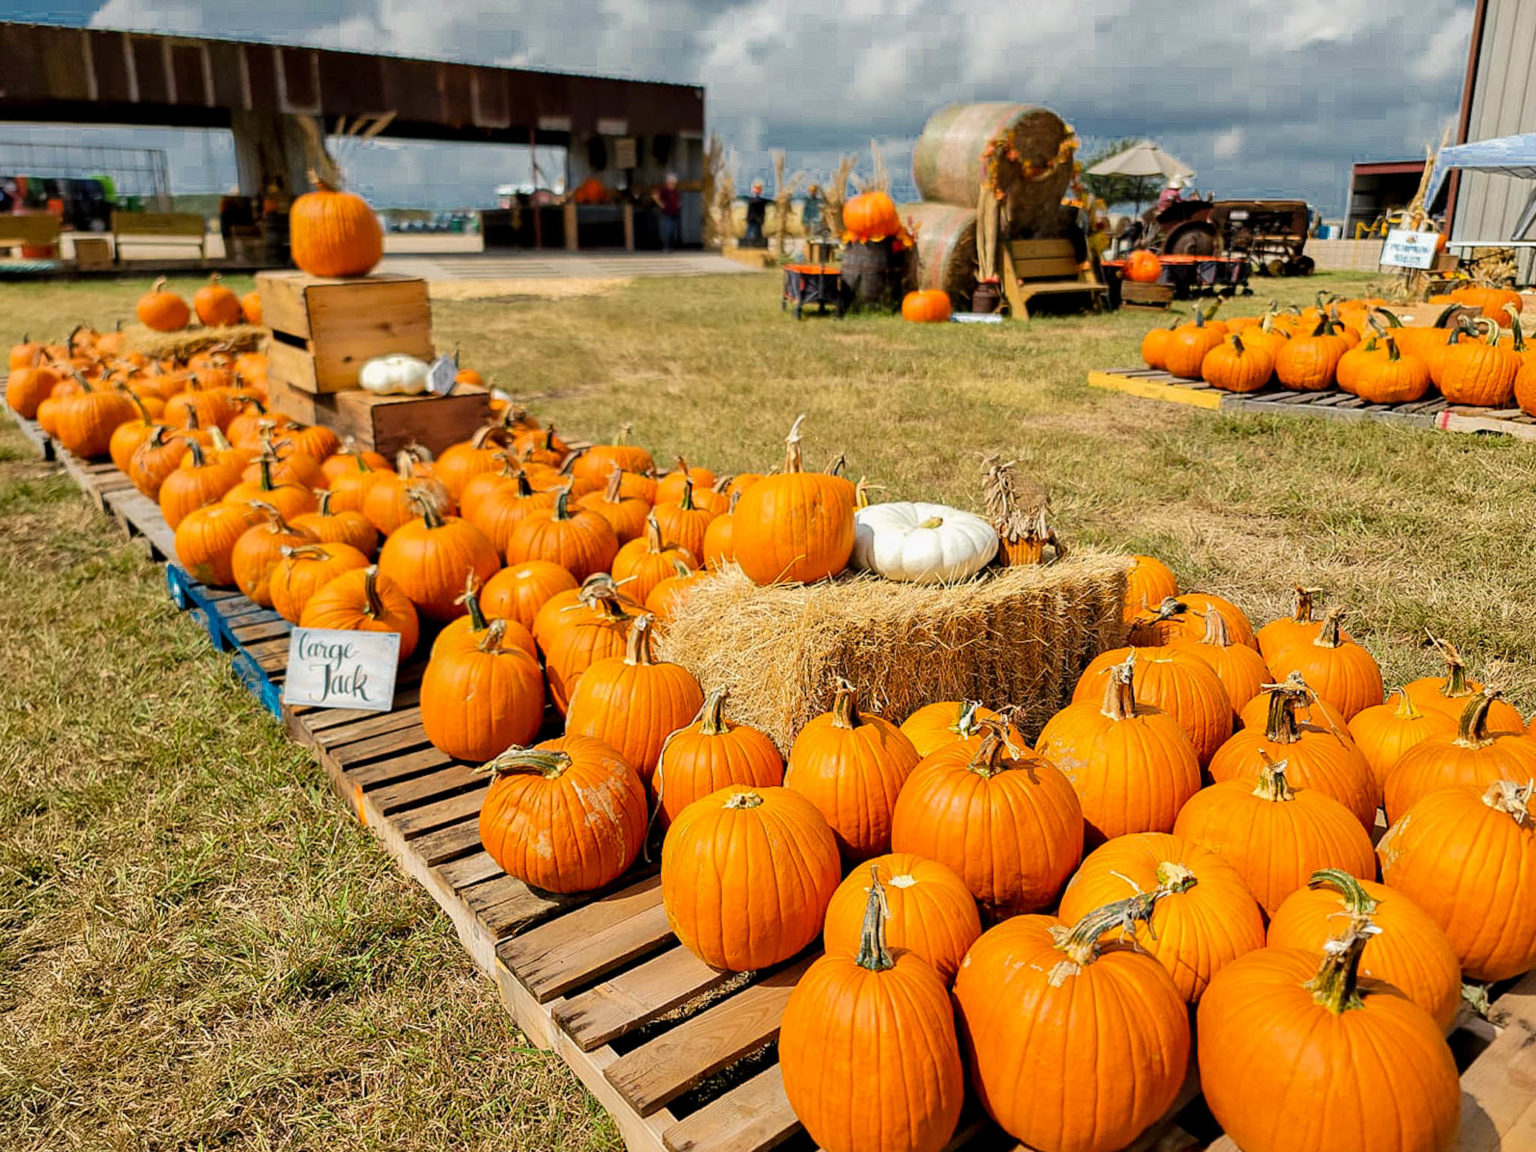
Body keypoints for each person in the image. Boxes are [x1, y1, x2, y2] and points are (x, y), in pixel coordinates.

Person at [654, 172, 682, 252]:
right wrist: (661, 204)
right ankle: (665, 247)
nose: (672, 183)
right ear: (667, 183)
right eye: (670, 182)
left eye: (673, 182)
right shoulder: (664, 191)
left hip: (675, 213)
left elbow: (678, 200)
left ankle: (670, 247)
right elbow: (655, 196)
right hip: (666, 213)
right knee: (666, 230)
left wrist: (679, 205)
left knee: (673, 230)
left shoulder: (676, 191)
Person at [743, 180, 769, 247]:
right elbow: (753, 201)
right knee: (751, 234)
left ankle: (755, 245)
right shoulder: (752, 200)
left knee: (757, 234)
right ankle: (750, 245)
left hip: (757, 220)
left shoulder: (761, 200)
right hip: (753, 219)